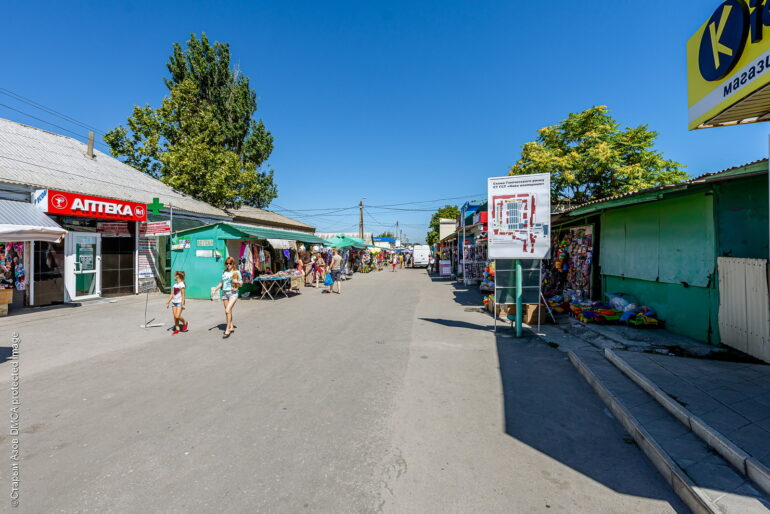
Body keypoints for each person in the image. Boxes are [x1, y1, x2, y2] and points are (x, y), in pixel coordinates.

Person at [212, 256, 242, 338]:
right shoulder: (224, 272)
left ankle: (227, 329)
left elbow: (241, 283)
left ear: (233, 264)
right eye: (226, 263)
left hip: (233, 293)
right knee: (228, 311)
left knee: (227, 310)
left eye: (230, 263)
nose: (228, 265)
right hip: (224, 293)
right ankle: (231, 327)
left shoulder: (236, 272)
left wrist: (237, 282)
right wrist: (215, 289)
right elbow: (221, 283)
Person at [166, 271, 188, 335]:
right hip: (174, 302)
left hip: (179, 303)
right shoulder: (175, 285)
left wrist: (183, 304)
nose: (174, 277)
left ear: (178, 276)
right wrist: (168, 302)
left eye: (175, 275)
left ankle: (185, 323)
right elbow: (172, 294)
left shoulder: (182, 284)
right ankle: (177, 329)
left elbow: (183, 295)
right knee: (175, 317)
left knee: (177, 316)